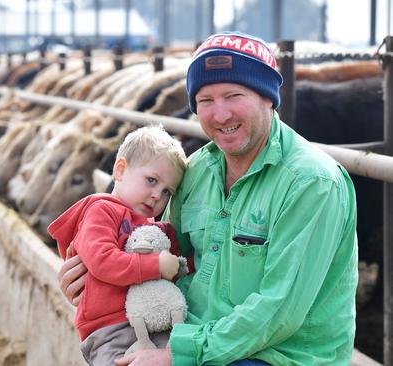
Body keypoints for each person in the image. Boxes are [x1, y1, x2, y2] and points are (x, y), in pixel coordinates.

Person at [58, 31, 358, 366]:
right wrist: (92, 279)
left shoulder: (311, 183)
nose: (221, 115)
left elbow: (280, 311)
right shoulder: (197, 169)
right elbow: (165, 257)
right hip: (195, 334)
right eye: (205, 101)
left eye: (234, 95)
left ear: (268, 98)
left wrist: (178, 354)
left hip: (279, 354)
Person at [47, 125, 192, 366]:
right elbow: (102, 261)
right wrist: (156, 265)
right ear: (120, 169)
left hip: (152, 322)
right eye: (151, 180)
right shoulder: (100, 211)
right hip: (109, 329)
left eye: (167, 191)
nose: (158, 195)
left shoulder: (150, 226)